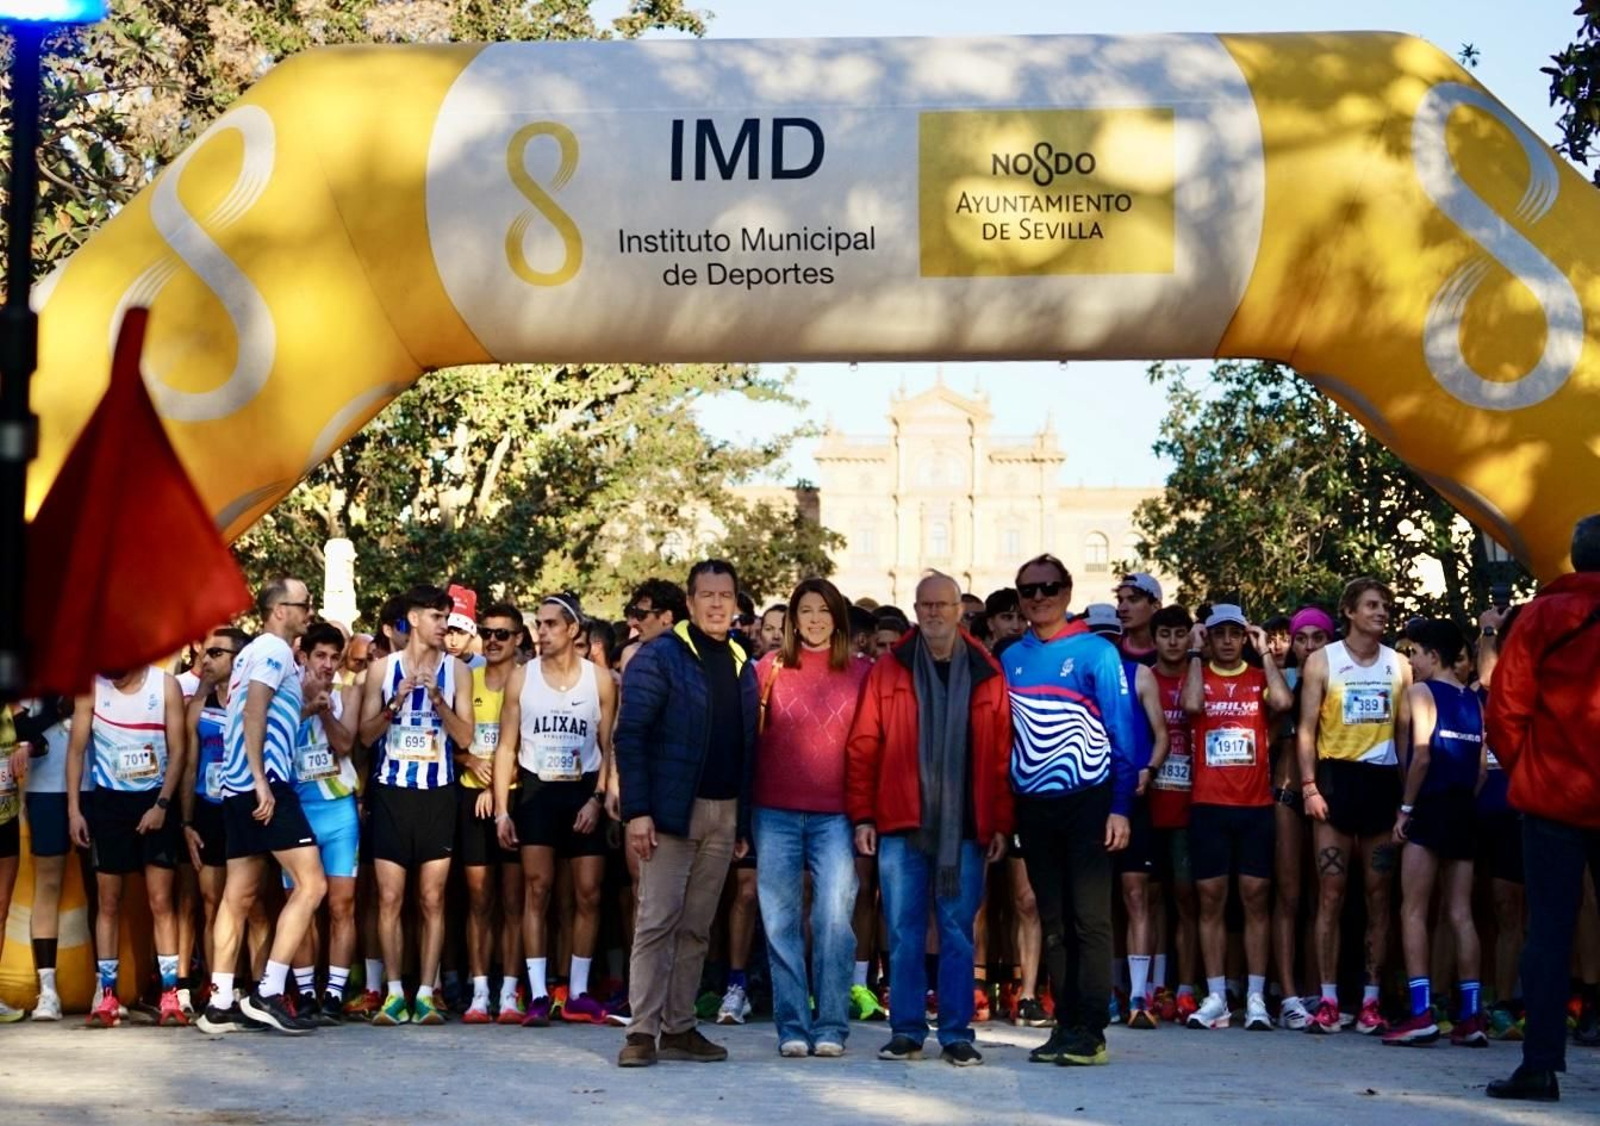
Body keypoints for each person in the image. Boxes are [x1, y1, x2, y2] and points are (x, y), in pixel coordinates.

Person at [847, 571, 1013, 1067]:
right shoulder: (890, 668)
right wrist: (863, 815)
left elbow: (1001, 753)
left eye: (943, 604)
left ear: (960, 609)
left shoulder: (985, 669)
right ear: (915, 610)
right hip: (901, 821)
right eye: (926, 605)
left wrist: (1000, 822)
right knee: (903, 930)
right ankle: (907, 1030)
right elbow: (864, 745)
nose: (935, 613)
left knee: (959, 930)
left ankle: (958, 1032)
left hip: (963, 827)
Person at [614, 560, 757, 1068]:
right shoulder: (660, 656)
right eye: (707, 595)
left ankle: (678, 1027)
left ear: (736, 603)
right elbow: (629, 735)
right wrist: (638, 812)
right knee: (656, 921)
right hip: (672, 812)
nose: (717, 604)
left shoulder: (742, 659)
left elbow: (746, 745)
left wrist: (741, 823)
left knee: (697, 927)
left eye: (726, 595)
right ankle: (640, 1032)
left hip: (724, 813)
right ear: (690, 604)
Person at [1486, 515, 1600, 1102]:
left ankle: (1541, 1066)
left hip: (1554, 792)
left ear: (1575, 560)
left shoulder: (1542, 616)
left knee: (1549, 929)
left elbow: (1504, 708)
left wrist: (1528, 765)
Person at [1005, 555, 1135, 1067]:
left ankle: (1092, 1031)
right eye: (1028, 590)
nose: (1039, 597)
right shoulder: (1011, 657)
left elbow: (1122, 735)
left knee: (1090, 919)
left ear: (1067, 590)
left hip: (1088, 801)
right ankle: (1066, 1025)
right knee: (1053, 919)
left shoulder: (1096, 652)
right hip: (1034, 806)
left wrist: (1120, 808)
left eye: (1049, 587)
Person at [197, 577, 329, 1035]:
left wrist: (307, 709)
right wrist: (261, 780)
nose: (309, 611)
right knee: (312, 885)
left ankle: (218, 1002)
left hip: (237, 788)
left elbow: (260, 714)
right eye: (303, 604)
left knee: (238, 897)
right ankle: (268, 991)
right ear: (279, 610)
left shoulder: (261, 653)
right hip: (263, 784)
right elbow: (254, 711)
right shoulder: (272, 650)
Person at [751, 577, 872, 1057]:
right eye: (806, 611)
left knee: (833, 921)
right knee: (780, 921)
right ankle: (792, 1026)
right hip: (774, 811)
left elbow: (871, 747)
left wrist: (869, 815)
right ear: (793, 619)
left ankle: (831, 1026)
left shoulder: (862, 672)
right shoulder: (768, 668)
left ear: (837, 617)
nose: (815, 620)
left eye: (824, 610)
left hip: (837, 816)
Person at [495, 594, 618, 1027]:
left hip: (582, 789)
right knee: (537, 890)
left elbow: (610, 747)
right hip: (536, 791)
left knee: (588, 892)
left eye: (550, 624)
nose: (541, 632)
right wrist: (501, 812)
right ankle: (539, 992)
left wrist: (598, 799)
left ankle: (579, 991)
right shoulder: (521, 678)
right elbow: (506, 746)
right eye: (538, 624)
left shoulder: (599, 680)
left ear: (572, 630)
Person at [1297, 578, 1411, 1035]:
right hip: (1336, 779)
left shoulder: (1399, 664)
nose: (1381, 612)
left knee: (1379, 897)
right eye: (1371, 605)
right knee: (1331, 893)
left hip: (1382, 782)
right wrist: (1308, 786)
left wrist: (1406, 801)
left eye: (1385, 605)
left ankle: (1369, 1000)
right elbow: (1305, 728)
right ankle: (1327, 998)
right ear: (1349, 611)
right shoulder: (1324, 661)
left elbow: (1405, 734)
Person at [357, 583, 475, 1026]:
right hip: (391, 792)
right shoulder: (382, 670)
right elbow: (363, 739)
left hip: (439, 793)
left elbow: (466, 738)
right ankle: (392, 992)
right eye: (437, 617)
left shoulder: (457, 672)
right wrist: (396, 702)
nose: (445, 625)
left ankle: (426, 992)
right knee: (388, 897)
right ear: (414, 620)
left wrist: (438, 700)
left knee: (432, 898)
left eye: (447, 618)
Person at [1180, 606, 1293, 1032]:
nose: (1227, 641)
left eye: (1234, 633)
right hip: (1208, 805)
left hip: (1254, 807)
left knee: (1255, 899)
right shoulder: (1201, 673)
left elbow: (1283, 702)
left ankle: (1257, 997)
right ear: (1207, 638)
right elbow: (1191, 705)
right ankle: (1215, 997)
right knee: (1210, 899)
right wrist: (1194, 654)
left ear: (1245, 637)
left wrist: (1265, 654)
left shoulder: (1260, 675)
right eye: (1218, 634)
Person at [65, 663, 189, 1027]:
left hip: (154, 802)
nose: (114, 678)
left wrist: (162, 806)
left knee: (161, 901)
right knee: (107, 902)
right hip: (109, 805)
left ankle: (169, 993)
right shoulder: (93, 686)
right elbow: (76, 752)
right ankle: (107, 996)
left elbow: (179, 750)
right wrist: (75, 811)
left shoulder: (164, 685)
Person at [1383, 619, 1487, 1048]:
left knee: (1413, 910)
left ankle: (1421, 1011)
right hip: (1464, 807)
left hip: (1429, 805)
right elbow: (1481, 768)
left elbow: (1421, 755)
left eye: (1416, 652)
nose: (1411, 660)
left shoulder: (1421, 693)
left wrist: (1406, 809)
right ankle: (1471, 1017)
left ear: (1433, 655)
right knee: (1461, 913)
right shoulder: (1474, 701)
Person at [1083, 603, 1169, 1028]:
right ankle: (1104, 992)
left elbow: (1162, 734)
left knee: (1136, 895)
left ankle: (1139, 994)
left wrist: (1148, 771)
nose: (1103, 643)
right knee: (1095, 900)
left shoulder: (1140, 675)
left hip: (1132, 797)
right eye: (1095, 635)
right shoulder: (1076, 679)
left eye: (1109, 636)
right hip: (1087, 798)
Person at [179, 629, 257, 1017]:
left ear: (237, 659)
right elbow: (190, 766)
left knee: (248, 904)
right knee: (212, 904)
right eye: (205, 652)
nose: (206, 659)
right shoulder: (199, 705)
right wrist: (187, 821)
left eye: (216, 653)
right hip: (209, 809)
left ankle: (249, 988)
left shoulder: (255, 700)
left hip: (245, 807)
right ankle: (217, 988)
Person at [285, 623, 359, 1023]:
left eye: (335, 657)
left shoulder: (346, 693)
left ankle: (334, 993)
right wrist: (306, 707)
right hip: (298, 811)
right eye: (320, 656)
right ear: (304, 656)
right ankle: (306, 991)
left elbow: (346, 745)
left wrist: (324, 707)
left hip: (338, 809)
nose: (328, 665)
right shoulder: (284, 692)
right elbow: (272, 739)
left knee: (341, 904)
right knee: (301, 901)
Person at [458, 602, 527, 1025]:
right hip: (470, 800)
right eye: (488, 632)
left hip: (515, 798)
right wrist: (470, 764)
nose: (494, 640)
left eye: (503, 633)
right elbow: (450, 738)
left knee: (514, 901)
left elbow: (532, 744)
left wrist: (495, 785)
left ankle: (509, 992)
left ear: (519, 638)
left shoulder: (529, 681)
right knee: (479, 899)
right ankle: (480, 991)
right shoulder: (468, 679)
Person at [1272, 606, 1334, 1030]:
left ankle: (1318, 991)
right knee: (1289, 896)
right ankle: (1289, 993)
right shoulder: (1282, 681)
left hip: (1329, 796)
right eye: (1302, 638)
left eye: (1318, 638)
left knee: (1323, 898)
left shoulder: (1341, 678)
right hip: (1286, 794)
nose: (1310, 645)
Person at [15, 694, 84, 1022]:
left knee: (103, 885)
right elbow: (16, 726)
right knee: (48, 884)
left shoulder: (104, 674)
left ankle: (106, 986)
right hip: (45, 788)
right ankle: (48, 990)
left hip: (95, 785)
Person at [1147, 604, 1200, 1024]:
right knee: (1148, 898)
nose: (1172, 642)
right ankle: (1153, 985)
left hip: (1192, 801)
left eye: (1180, 634)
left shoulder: (1196, 676)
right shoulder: (1144, 677)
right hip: (1151, 799)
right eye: (1164, 634)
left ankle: (1185, 988)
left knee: (1186, 897)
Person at [0, 704, 28, 1023]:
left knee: (1, 909)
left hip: (6, 819)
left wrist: (26, 744)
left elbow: (38, 735)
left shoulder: (13, 708)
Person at [1116, 573, 1162, 666]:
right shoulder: (1111, 652)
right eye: (1120, 600)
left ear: (1155, 607)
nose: (1122, 608)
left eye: (1133, 600)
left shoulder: (1171, 650)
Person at [446, 583, 485, 670]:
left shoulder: (485, 667)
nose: (454, 642)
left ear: (472, 634)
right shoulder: (434, 665)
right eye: (448, 633)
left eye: (462, 633)